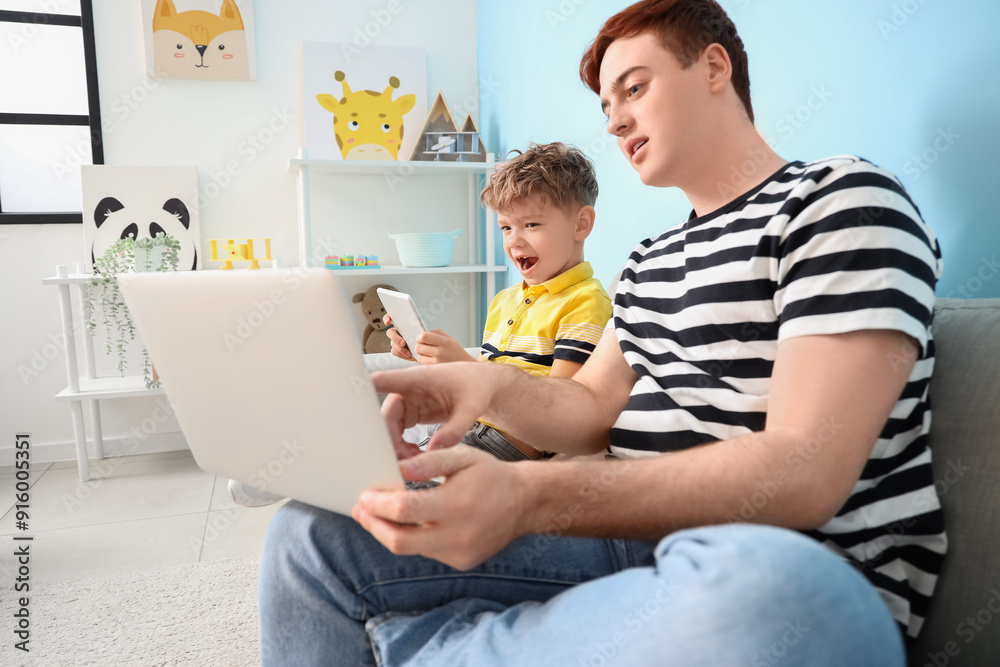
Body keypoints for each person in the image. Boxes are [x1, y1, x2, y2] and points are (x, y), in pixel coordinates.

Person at [258, 1, 946, 665]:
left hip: (774, 560)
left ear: (713, 69)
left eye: (634, 88)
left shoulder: (839, 200)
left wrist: (530, 496)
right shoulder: (650, 259)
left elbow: (805, 471)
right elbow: (587, 410)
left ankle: (411, 643)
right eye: (606, 108)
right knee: (310, 536)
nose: (616, 121)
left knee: (777, 599)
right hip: (619, 539)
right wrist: (483, 380)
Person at [385, 142, 612, 461]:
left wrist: (463, 367)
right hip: (464, 425)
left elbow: (559, 414)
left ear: (581, 224)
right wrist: (430, 353)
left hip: (507, 444)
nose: (514, 240)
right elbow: (493, 374)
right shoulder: (505, 299)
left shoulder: (586, 302)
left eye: (531, 224)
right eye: (506, 227)